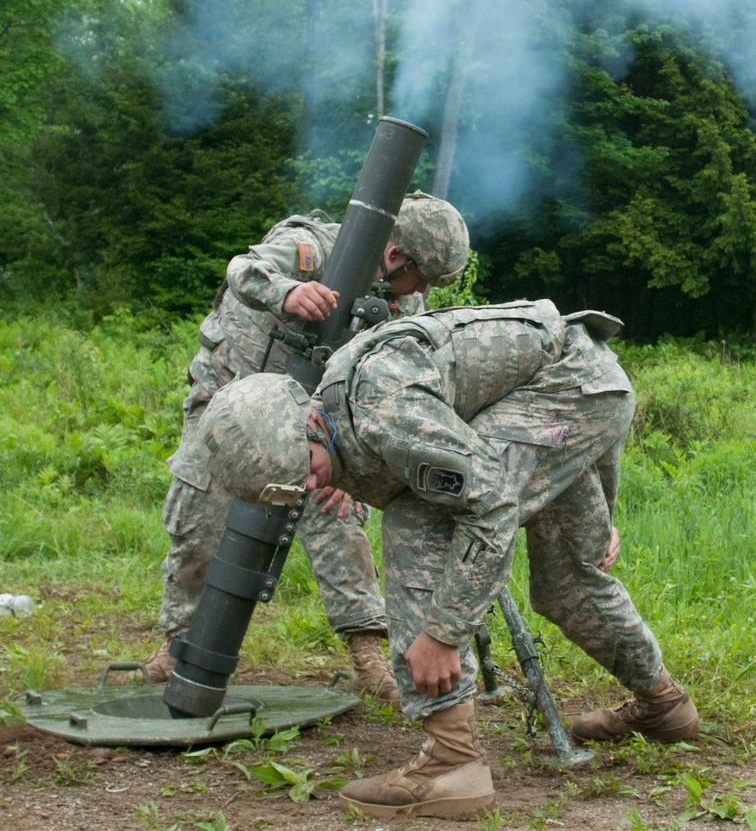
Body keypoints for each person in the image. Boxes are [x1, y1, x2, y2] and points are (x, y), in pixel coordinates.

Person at [199, 299, 699, 821]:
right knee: (565, 580)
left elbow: (492, 503)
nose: (305, 486)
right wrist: (596, 520)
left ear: (308, 423)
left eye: (302, 468)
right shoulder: (331, 416)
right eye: (289, 487)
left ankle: (450, 763)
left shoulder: (383, 408)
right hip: (587, 385)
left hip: (568, 388)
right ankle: (664, 704)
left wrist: (442, 632)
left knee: (423, 520)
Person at [145, 191, 470, 708]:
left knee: (339, 519)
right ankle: (178, 645)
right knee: (198, 524)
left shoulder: (401, 301)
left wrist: (359, 470)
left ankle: (366, 652)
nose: (422, 290)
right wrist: (288, 294)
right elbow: (243, 270)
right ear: (395, 254)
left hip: (313, 422)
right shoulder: (309, 249)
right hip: (228, 407)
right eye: (423, 275)